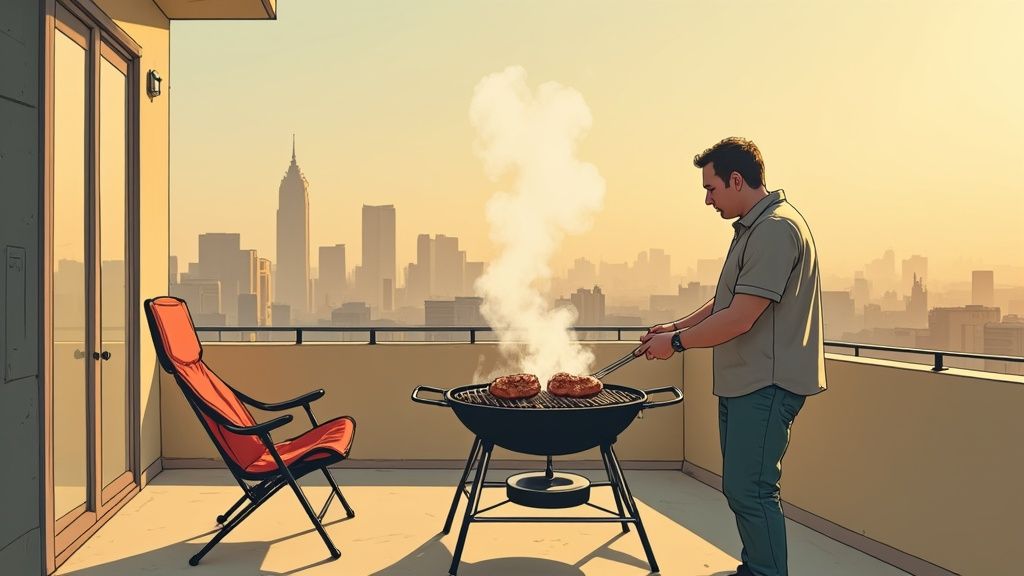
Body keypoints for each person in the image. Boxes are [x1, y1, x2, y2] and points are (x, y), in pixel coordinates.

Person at [635, 137, 827, 576]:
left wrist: (678, 346)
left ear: (736, 180)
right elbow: (725, 303)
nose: (707, 200)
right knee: (742, 489)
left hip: (766, 384)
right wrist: (674, 328)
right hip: (746, 382)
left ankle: (765, 573)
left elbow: (740, 318)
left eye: (712, 188)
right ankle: (756, 567)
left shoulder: (776, 230)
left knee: (753, 489)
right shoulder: (754, 228)